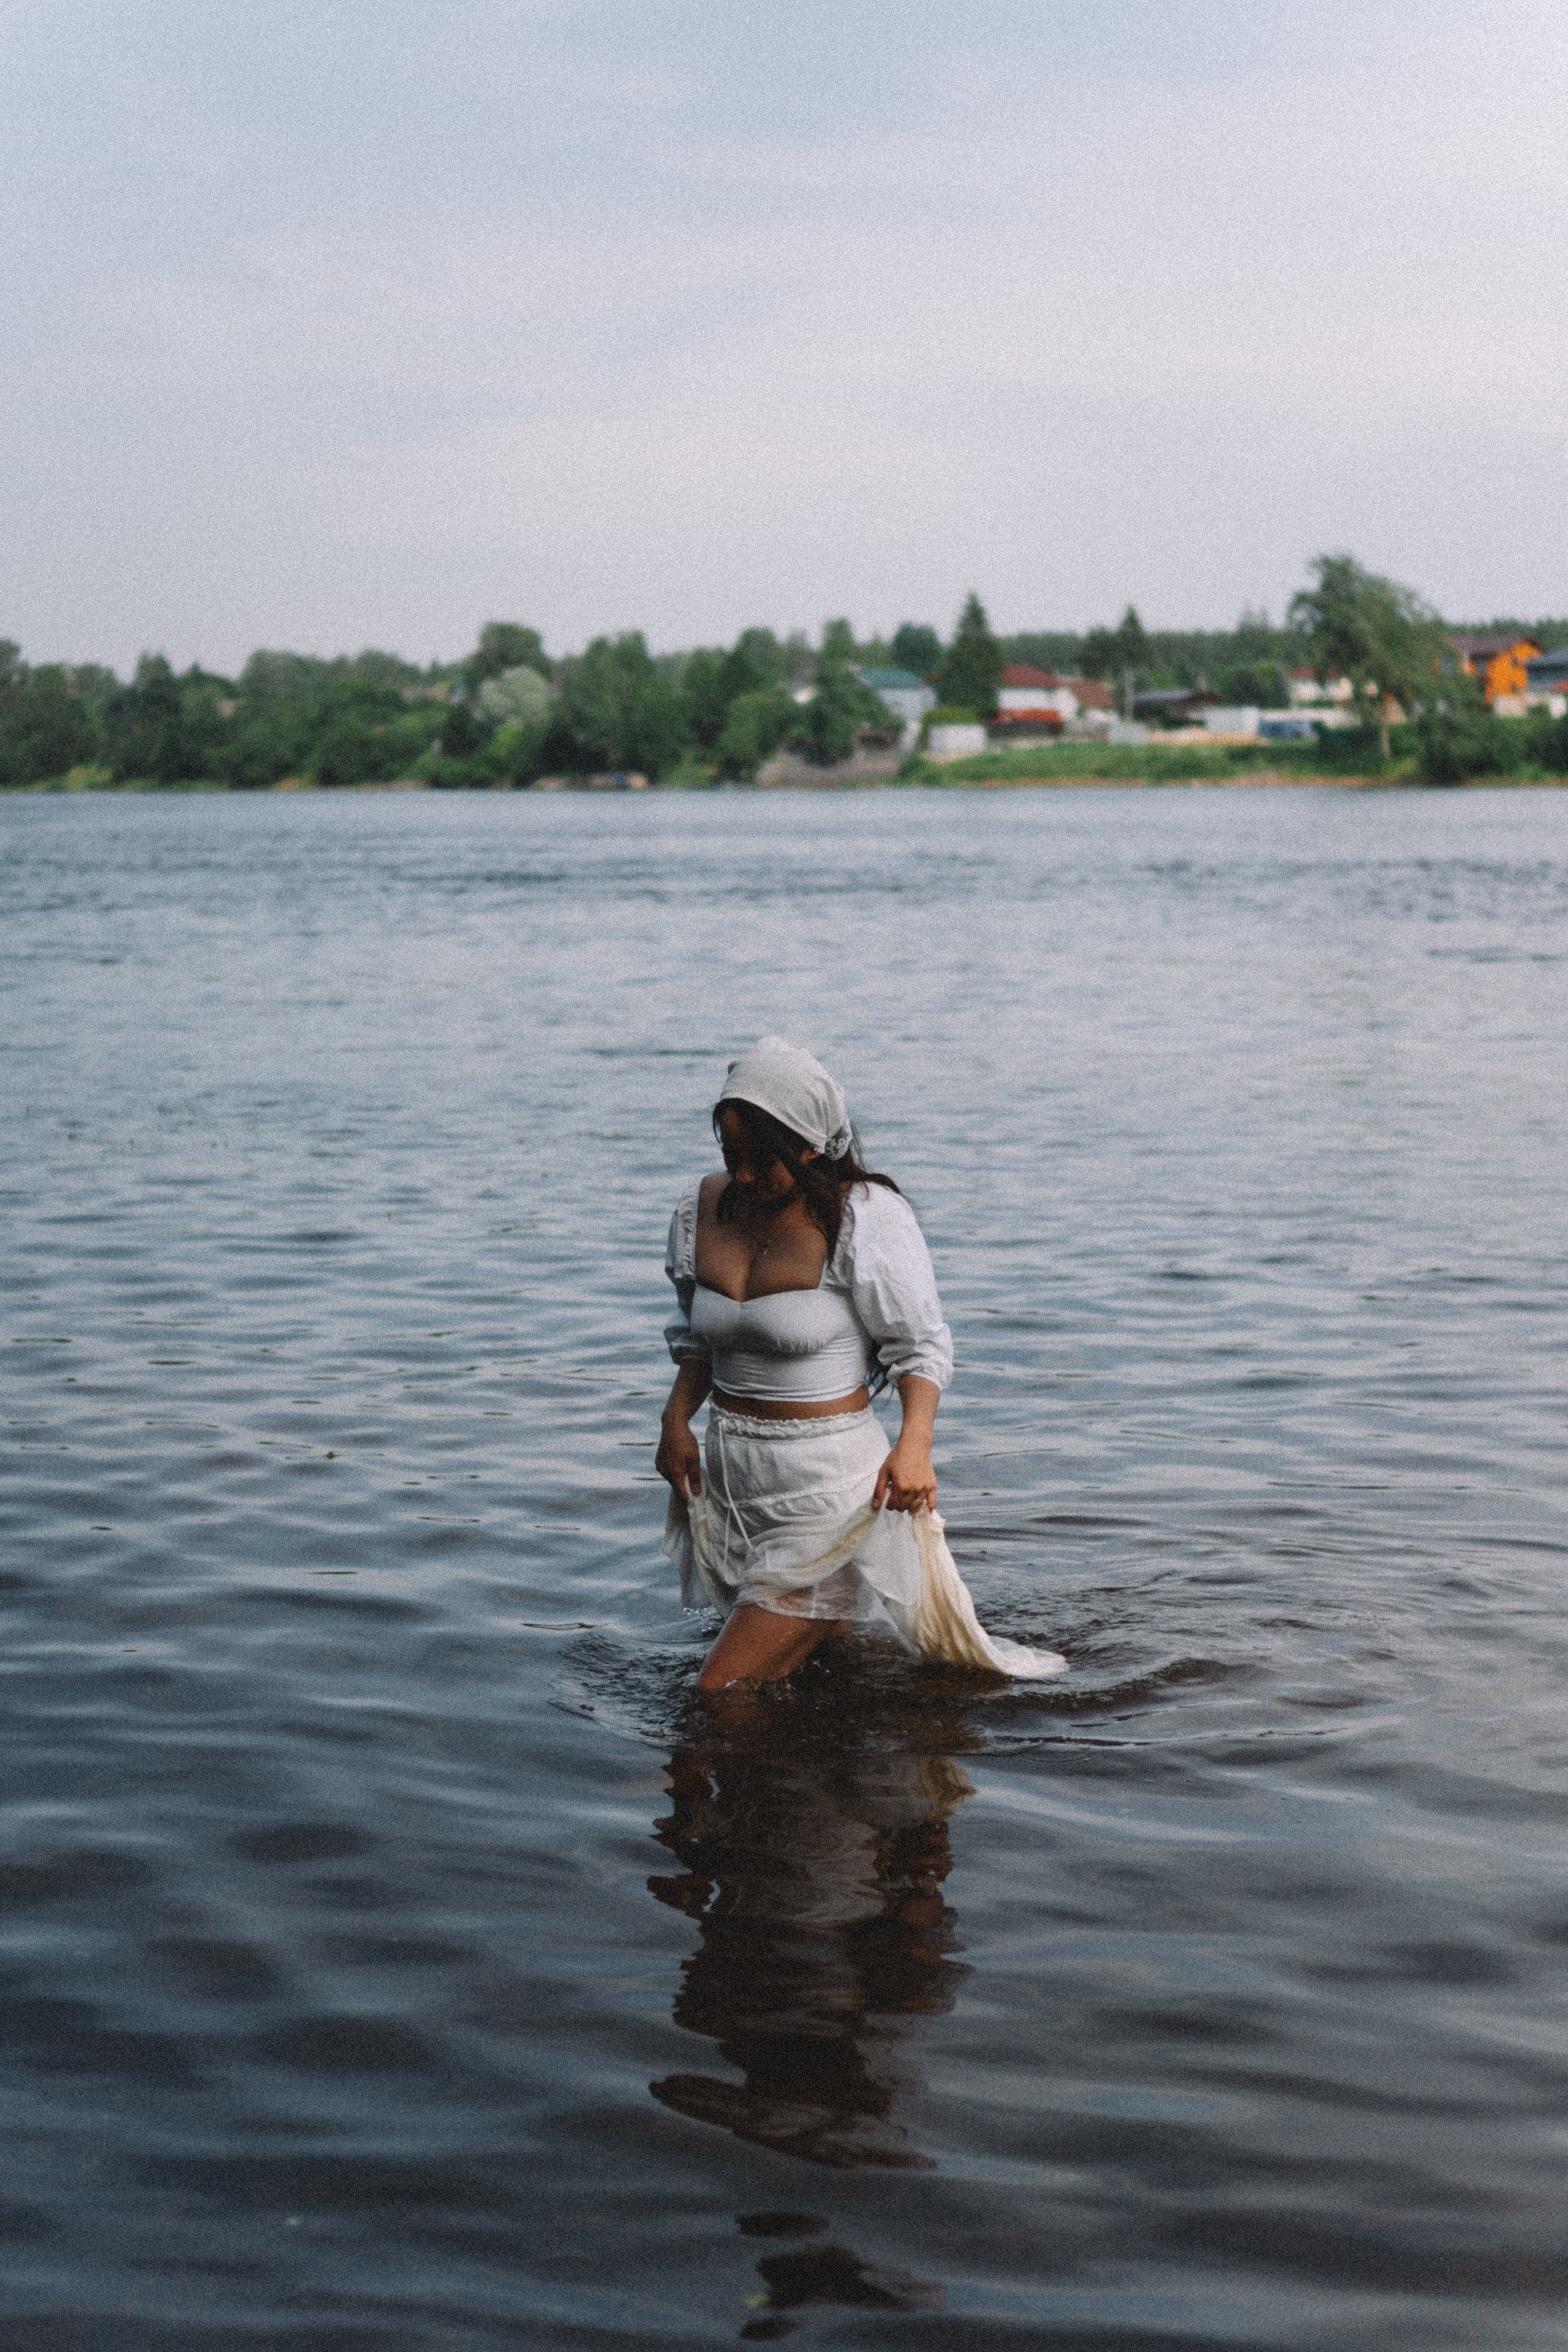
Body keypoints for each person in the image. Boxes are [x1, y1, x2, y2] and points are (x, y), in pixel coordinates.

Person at [657, 1038, 1067, 1691]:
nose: (742, 1176)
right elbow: (696, 1339)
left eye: (761, 1160)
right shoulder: (697, 1210)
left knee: (720, 1693)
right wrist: (675, 1420)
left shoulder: (865, 1219)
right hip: (736, 1488)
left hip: (831, 1491)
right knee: (822, 1680)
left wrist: (915, 1448)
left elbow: (922, 1347)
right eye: (730, 1155)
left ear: (808, 1146)